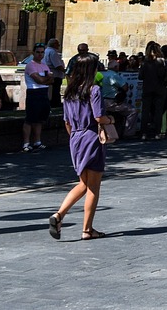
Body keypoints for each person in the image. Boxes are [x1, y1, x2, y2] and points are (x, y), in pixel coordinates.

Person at [49, 54, 111, 240]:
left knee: (84, 183)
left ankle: (59, 215)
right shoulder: (94, 90)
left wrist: (75, 138)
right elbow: (99, 117)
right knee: (93, 187)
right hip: (91, 136)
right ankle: (87, 229)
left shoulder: (69, 92)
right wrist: (111, 120)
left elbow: (67, 122)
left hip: (75, 138)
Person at [22, 43, 58, 151]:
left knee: (40, 119)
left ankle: (37, 141)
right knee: (30, 119)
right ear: (33, 53)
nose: (40, 54)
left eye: (42, 52)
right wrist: (47, 78)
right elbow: (40, 80)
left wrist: (47, 79)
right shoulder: (30, 65)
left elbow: (52, 80)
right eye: (38, 52)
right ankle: (26, 143)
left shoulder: (44, 65)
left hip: (43, 92)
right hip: (34, 93)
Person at [140, 43, 167, 140]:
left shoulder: (145, 63)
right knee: (158, 112)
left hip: (147, 88)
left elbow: (140, 76)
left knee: (145, 111)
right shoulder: (162, 62)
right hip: (160, 89)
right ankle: (157, 133)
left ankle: (144, 133)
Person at [44, 39, 64, 107]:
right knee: (55, 91)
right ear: (54, 44)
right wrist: (65, 71)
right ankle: (55, 104)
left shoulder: (46, 51)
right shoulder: (52, 52)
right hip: (55, 75)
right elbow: (57, 65)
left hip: (48, 74)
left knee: (51, 91)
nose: (59, 45)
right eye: (58, 44)